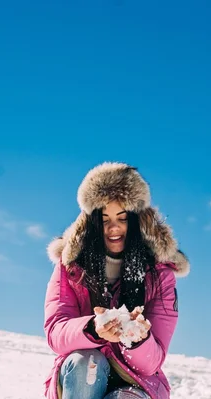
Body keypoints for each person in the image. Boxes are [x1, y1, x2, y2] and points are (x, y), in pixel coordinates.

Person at [43, 162, 189, 399]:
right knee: (86, 363)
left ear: (135, 220)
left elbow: (152, 362)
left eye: (122, 218)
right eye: (104, 219)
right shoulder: (71, 266)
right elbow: (55, 331)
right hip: (83, 373)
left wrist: (137, 339)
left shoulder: (159, 273)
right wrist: (93, 329)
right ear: (92, 221)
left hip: (136, 379)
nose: (114, 228)